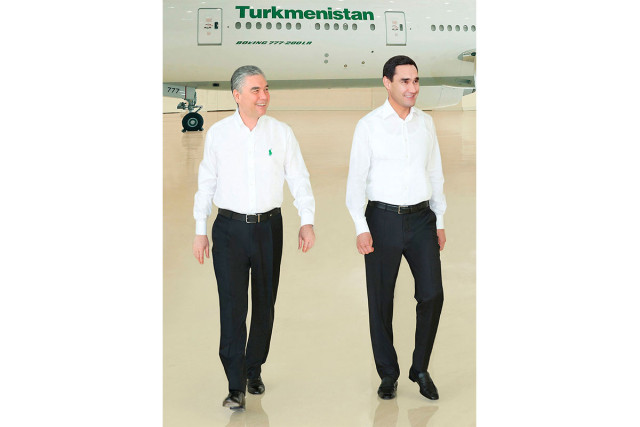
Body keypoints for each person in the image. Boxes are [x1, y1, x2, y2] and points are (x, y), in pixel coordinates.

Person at [192, 65, 316, 411]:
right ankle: (235, 386)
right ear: (237, 95)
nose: (264, 96)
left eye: (266, 89)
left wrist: (306, 220)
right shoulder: (218, 134)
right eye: (256, 90)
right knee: (232, 307)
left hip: (268, 229)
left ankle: (253, 368)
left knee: (264, 305)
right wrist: (200, 230)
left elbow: (299, 178)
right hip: (229, 230)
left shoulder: (281, 133)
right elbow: (206, 183)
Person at [346, 55, 447, 401]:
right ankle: (388, 373)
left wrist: (440, 219)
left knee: (432, 294)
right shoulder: (369, 126)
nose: (412, 88)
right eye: (405, 81)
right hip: (382, 220)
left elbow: (435, 172)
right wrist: (361, 226)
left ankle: (420, 368)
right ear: (387, 83)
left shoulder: (425, 124)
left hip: (422, 220)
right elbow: (356, 180)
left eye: (416, 81)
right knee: (381, 300)